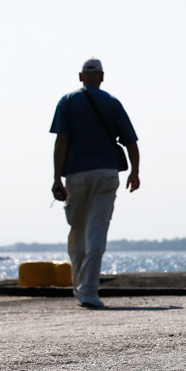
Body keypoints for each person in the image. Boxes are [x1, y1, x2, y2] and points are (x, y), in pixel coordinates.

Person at [50, 58, 140, 308]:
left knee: (78, 231)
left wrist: (57, 178)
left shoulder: (67, 102)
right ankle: (89, 290)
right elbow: (131, 143)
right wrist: (135, 172)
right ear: (102, 76)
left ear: (81, 77)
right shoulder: (112, 103)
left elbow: (61, 143)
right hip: (107, 173)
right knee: (97, 231)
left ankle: (80, 288)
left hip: (77, 174)